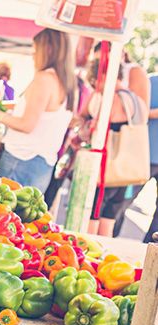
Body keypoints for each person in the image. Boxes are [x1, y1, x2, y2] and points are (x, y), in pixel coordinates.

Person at [0, 28, 75, 192]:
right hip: (42, 163)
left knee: (7, 213)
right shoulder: (67, 81)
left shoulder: (44, 79)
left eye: (36, 50)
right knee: (26, 216)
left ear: (48, 49)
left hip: (22, 160)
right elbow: (40, 111)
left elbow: (27, 124)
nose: (33, 55)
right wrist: (5, 106)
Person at [80, 60, 148, 237]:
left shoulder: (111, 100)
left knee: (92, 221)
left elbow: (94, 129)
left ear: (103, 76)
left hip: (106, 170)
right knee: (108, 221)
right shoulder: (137, 100)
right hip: (126, 172)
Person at [142, 73, 158, 242]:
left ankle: (150, 249)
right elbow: (140, 112)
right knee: (120, 204)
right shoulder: (150, 81)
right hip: (145, 156)